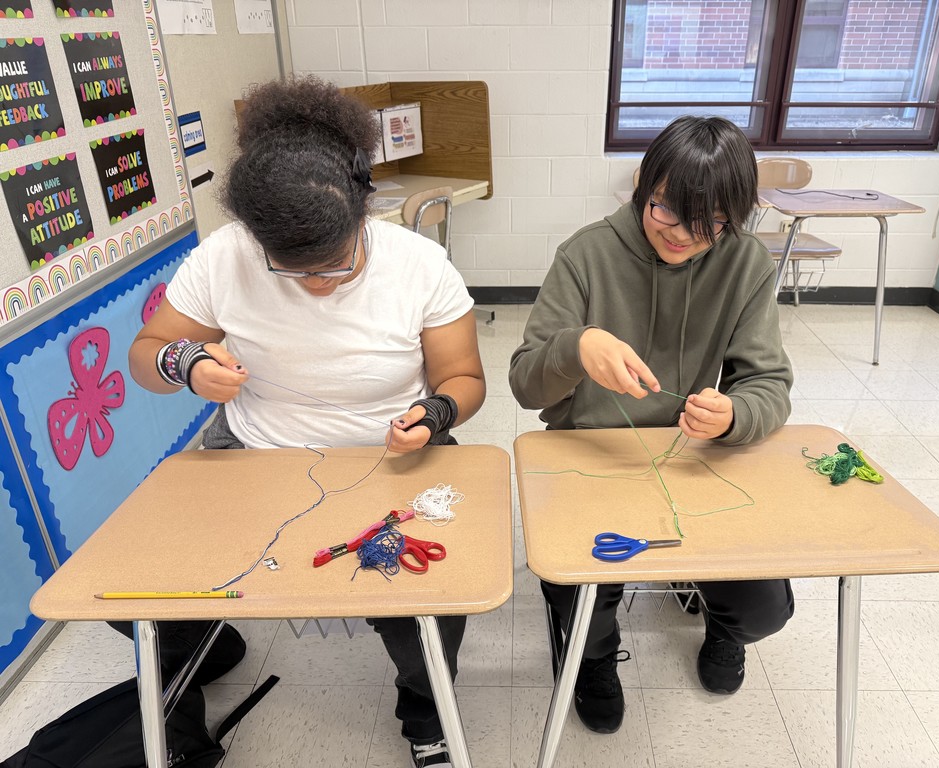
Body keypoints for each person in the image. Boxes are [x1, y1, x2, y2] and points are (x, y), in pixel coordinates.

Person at [127, 75, 485, 768]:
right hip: (254, 448)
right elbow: (144, 356)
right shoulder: (224, 256)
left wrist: (434, 414)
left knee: (433, 608)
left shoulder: (421, 265)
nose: (317, 285)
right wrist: (189, 363)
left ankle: (424, 710)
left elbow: (464, 380)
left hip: (392, 453)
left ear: (364, 208)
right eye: (292, 271)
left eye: (338, 263)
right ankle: (194, 670)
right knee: (138, 589)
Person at [508, 116, 794, 735]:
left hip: (687, 455)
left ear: (732, 218)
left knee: (766, 605)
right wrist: (575, 348)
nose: (684, 236)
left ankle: (723, 628)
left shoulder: (744, 263)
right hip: (586, 456)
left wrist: (735, 414)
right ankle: (595, 656)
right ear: (644, 187)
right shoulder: (585, 254)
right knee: (577, 590)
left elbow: (770, 385)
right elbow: (525, 384)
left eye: (708, 224)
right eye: (666, 210)